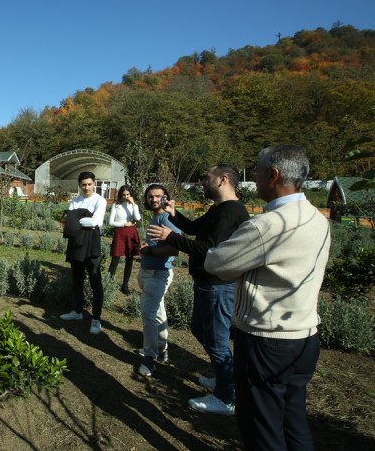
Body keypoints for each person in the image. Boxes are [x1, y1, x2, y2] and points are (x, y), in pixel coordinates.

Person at [205, 145, 331, 451]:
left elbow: (216, 264)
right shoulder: (316, 218)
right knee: (293, 420)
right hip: (304, 336)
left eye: (258, 171)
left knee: (262, 427)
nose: (255, 178)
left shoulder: (269, 225)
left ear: (273, 175)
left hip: (266, 340)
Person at [147, 165, 249, 415]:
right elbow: (194, 229)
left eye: (207, 178)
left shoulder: (231, 212)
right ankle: (224, 377)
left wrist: (170, 237)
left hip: (218, 286)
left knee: (216, 340)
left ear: (223, 179)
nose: (203, 182)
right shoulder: (220, 209)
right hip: (208, 284)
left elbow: (207, 248)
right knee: (199, 328)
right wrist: (174, 214)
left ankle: (226, 397)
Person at [137, 183, 180, 376]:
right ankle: (162, 348)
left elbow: (175, 248)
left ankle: (150, 358)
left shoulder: (167, 218)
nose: (153, 199)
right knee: (157, 311)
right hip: (149, 271)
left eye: (158, 196)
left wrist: (150, 250)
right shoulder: (157, 217)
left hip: (158, 273)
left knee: (148, 313)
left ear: (166, 198)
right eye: (150, 196)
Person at [60, 171, 107, 335]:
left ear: (94, 183)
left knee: (95, 281)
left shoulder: (100, 201)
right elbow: (69, 222)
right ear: (79, 185)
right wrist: (83, 220)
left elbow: (95, 222)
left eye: (89, 184)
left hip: (92, 243)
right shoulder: (75, 200)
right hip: (76, 243)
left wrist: (78, 219)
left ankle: (96, 318)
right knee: (77, 279)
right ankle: (77, 311)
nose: (86, 187)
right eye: (83, 184)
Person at [107, 185, 141, 295]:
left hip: (131, 233)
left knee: (129, 260)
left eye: (128, 194)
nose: (126, 196)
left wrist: (134, 204)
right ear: (120, 195)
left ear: (131, 194)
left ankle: (125, 285)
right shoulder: (116, 205)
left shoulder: (133, 205)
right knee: (115, 260)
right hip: (120, 233)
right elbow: (111, 222)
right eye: (124, 195)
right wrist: (124, 224)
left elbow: (138, 218)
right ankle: (108, 283)